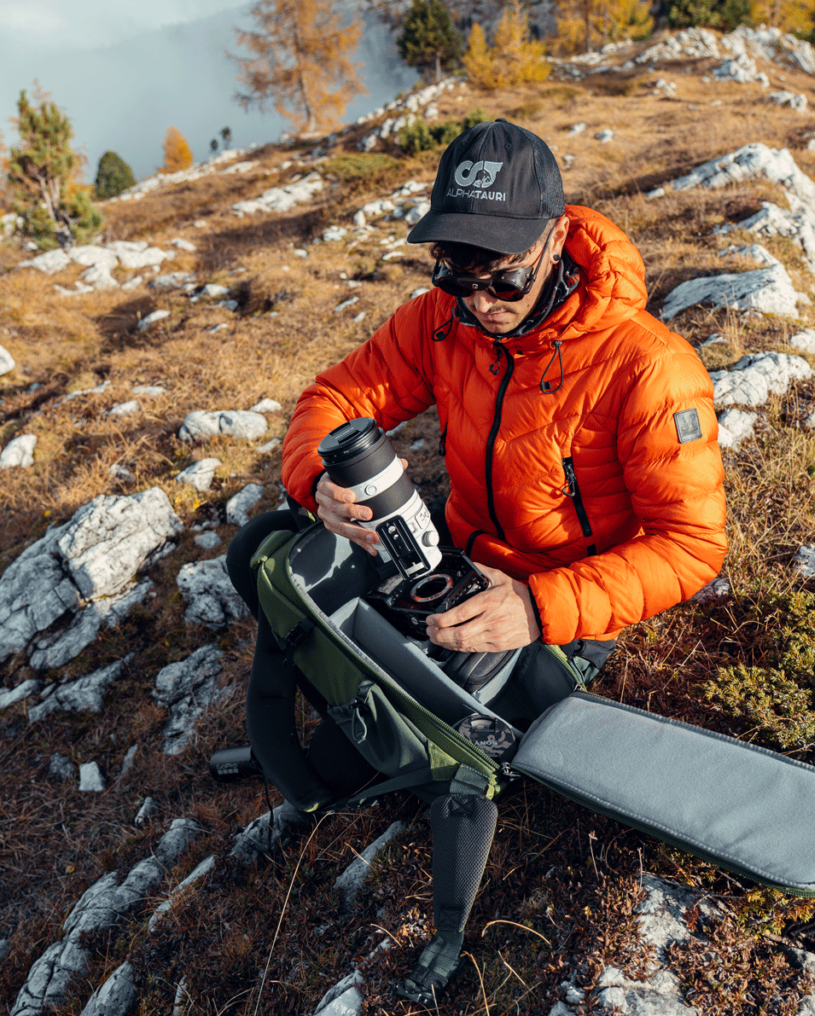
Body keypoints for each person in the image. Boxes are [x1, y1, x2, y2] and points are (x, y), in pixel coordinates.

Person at [226, 117, 726, 790]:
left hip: (563, 605)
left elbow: (690, 546)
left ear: (556, 239)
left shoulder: (649, 368)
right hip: (454, 558)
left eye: (505, 282)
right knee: (264, 545)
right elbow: (338, 395)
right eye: (457, 278)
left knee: (371, 757)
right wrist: (315, 478)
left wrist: (537, 607)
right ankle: (342, 740)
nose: (481, 304)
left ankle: (359, 757)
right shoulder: (442, 317)